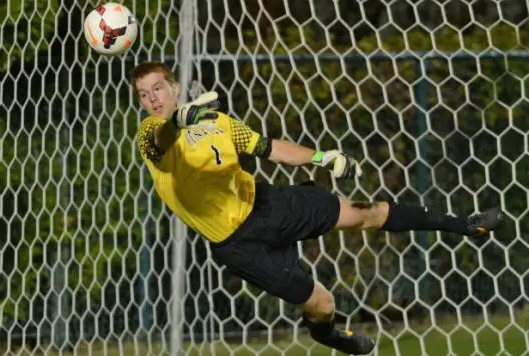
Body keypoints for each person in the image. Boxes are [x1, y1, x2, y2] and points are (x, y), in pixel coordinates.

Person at [130, 61, 503, 355]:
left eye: (158, 88)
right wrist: (179, 119)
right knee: (324, 303)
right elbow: (164, 136)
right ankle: (330, 337)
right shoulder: (151, 135)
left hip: (266, 204)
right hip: (239, 245)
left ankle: (464, 224)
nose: (153, 99)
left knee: (362, 212)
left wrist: (323, 157)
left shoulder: (218, 122)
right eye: (144, 95)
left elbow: (271, 148)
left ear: (175, 87)